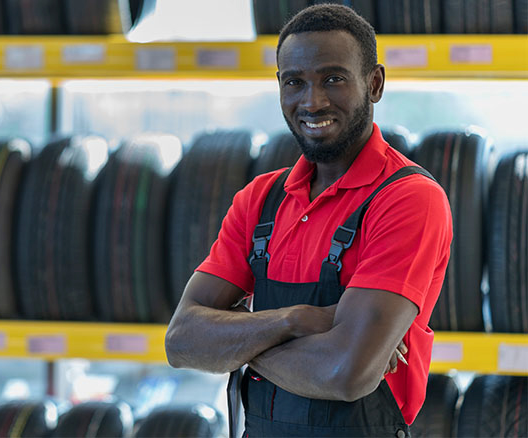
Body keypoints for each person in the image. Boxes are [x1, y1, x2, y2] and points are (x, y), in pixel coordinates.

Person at [165, 4, 453, 437]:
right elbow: (181, 341)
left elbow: (346, 372)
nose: (312, 101)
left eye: (333, 79)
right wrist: (293, 321)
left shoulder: (407, 199)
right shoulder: (259, 200)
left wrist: (237, 340)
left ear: (374, 84)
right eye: (294, 82)